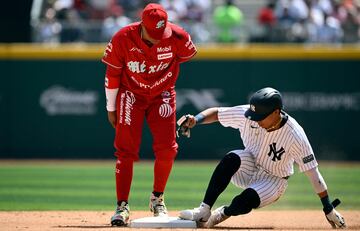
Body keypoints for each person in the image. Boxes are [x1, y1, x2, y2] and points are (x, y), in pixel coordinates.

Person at [177, 87, 346, 229]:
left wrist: (328, 208)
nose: (255, 120)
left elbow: (313, 173)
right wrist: (196, 120)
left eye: (260, 117)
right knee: (231, 158)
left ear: (276, 112)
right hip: (250, 164)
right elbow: (217, 113)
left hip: (274, 180)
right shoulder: (249, 115)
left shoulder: (295, 135)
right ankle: (204, 210)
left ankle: (222, 214)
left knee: (242, 202)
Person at [101, 3, 197, 226]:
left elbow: (185, 57)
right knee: (125, 149)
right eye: (152, 33)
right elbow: (112, 74)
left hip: (162, 94)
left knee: (167, 149)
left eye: (160, 33)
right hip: (131, 94)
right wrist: (111, 107)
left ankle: (157, 198)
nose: (157, 38)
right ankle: (122, 206)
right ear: (141, 24)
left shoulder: (178, 37)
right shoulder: (122, 38)